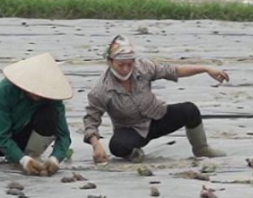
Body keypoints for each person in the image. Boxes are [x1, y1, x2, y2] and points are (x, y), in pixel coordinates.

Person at [83, 35, 229, 163]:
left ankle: (201, 148)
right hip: (131, 129)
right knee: (117, 146)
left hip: (157, 116)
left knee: (190, 110)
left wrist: (206, 69)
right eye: (121, 64)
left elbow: (174, 71)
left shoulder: (144, 67)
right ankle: (134, 154)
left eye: (130, 64)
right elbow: (91, 120)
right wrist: (96, 145)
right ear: (110, 61)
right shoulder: (101, 89)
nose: (126, 69)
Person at [0, 53, 73, 175]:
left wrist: (55, 158)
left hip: (24, 141)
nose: (38, 93)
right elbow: (1, 136)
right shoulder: (5, 90)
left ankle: (33, 156)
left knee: (49, 114)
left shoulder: (53, 99)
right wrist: (22, 160)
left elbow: (64, 136)